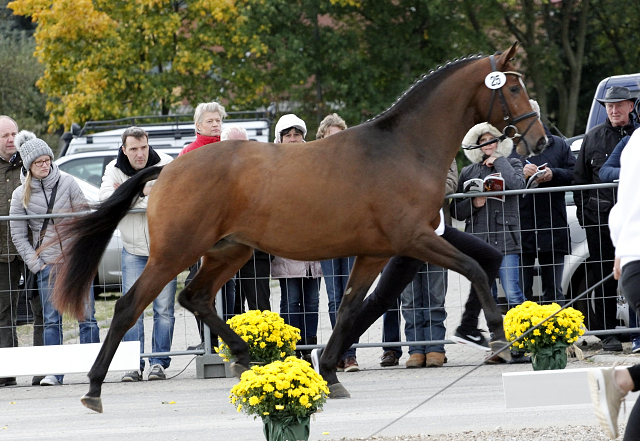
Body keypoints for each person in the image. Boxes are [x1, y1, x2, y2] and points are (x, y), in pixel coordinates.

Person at [10, 131, 100, 386]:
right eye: (38, 162)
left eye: (47, 160)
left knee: (87, 316)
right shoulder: (20, 195)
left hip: (75, 261)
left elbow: (83, 220)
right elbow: (18, 235)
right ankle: (54, 371)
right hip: (46, 263)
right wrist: (37, 265)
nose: (44, 165)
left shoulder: (68, 183)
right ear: (29, 166)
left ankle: (93, 367)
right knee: (51, 319)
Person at [99, 127, 175, 382]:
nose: (140, 154)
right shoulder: (113, 169)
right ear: (124, 150)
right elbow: (107, 200)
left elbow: (173, 200)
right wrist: (143, 192)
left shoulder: (166, 164)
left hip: (164, 252)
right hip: (132, 249)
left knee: (164, 309)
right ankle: (133, 364)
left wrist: (127, 194)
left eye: (143, 147)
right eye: (133, 149)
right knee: (133, 309)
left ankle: (159, 363)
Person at [573, 86, 638, 352]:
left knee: (635, 273)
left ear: (630, 107)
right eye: (609, 106)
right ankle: (608, 333)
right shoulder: (593, 137)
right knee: (603, 276)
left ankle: (635, 332)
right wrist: (585, 216)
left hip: (633, 221)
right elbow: (580, 180)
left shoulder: (636, 136)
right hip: (600, 220)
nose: (613, 110)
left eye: (619, 105)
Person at [588, 129, 640, 440]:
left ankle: (624, 379)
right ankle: (622, 380)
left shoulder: (634, 140)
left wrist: (622, 249)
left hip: (634, 260)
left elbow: (621, 206)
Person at [452, 122, 526, 310]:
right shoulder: (468, 171)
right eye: (482, 140)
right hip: (479, 241)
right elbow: (456, 211)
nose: (487, 143)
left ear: (498, 141)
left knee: (513, 293)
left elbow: (518, 186)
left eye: (491, 139)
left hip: (506, 240)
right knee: (486, 295)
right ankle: (496, 335)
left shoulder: (513, 162)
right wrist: (473, 204)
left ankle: (526, 335)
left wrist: (499, 162)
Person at [180, 102, 235, 349]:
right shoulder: (189, 153)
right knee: (199, 285)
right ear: (198, 125)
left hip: (230, 233)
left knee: (229, 286)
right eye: (210, 121)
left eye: (218, 121)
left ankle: (227, 342)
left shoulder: (230, 150)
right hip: (200, 234)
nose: (215, 125)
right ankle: (207, 342)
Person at [510, 100, 576, 305]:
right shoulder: (508, 148)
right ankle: (523, 336)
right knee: (522, 294)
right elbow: (499, 178)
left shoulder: (558, 145)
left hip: (552, 227)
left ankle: (555, 335)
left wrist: (552, 174)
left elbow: (575, 174)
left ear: (537, 118)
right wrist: (519, 171)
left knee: (554, 293)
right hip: (521, 231)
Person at [271, 114, 322, 361]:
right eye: (288, 135)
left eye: (297, 135)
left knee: (312, 300)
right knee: (291, 300)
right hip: (287, 246)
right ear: (279, 139)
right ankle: (290, 347)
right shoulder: (272, 168)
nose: (293, 140)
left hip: (314, 246)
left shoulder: (316, 164)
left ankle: (310, 347)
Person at [400, 159, 458, 368]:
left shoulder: (443, 154)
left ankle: (435, 347)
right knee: (409, 298)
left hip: (436, 237)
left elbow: (451, 182)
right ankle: (415, 349)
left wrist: (421, 189)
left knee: (435, 295)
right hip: (405, 236)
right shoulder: (399, 154)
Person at [316, 113, 359, 372]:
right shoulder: (316, 164)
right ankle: (340, 351)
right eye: (332, 136)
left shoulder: (355, 164)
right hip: (328, 238)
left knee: (352, 296)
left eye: (341, 135)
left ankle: (350, 352)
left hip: (352, 236)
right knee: (334, 298)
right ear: (322, 138)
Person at [222, 127, 272, 314]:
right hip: (227, 251)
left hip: (256, 253)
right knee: (231, 307)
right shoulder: (217, 175)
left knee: (260, 308)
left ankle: (264, 343)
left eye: (244, 144)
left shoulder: (262, 171)